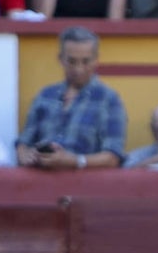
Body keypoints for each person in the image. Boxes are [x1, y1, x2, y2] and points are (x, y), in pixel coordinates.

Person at [15, 26, 127, 171]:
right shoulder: (45, 95)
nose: (78, 69)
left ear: (96, 60)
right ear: (60, 59)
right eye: (72, 61)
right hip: (41, 184)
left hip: (85, 188)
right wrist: (25, 154)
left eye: (85, 61)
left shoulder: (109, 100)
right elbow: (24, 142)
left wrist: (75, 161)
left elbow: (113, 157)